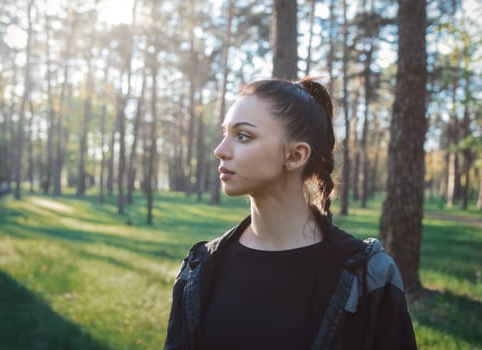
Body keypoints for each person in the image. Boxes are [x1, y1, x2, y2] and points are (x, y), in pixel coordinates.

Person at [164, 77, 417, 350]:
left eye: (243, 136)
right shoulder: (199, 269)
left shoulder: (370, 278)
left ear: (295, 155)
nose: (220, 150)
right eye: (224, 134)